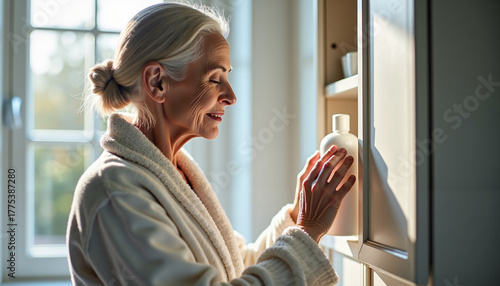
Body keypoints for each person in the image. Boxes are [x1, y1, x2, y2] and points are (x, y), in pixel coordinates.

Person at [66, 2, 356, 285]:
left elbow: (236, 267)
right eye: (215, 79)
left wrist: (298, 216)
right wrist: (308, 230)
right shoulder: (114, 191)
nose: (231, 96)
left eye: (227, 77)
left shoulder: (174, 173)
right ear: (157, 83)